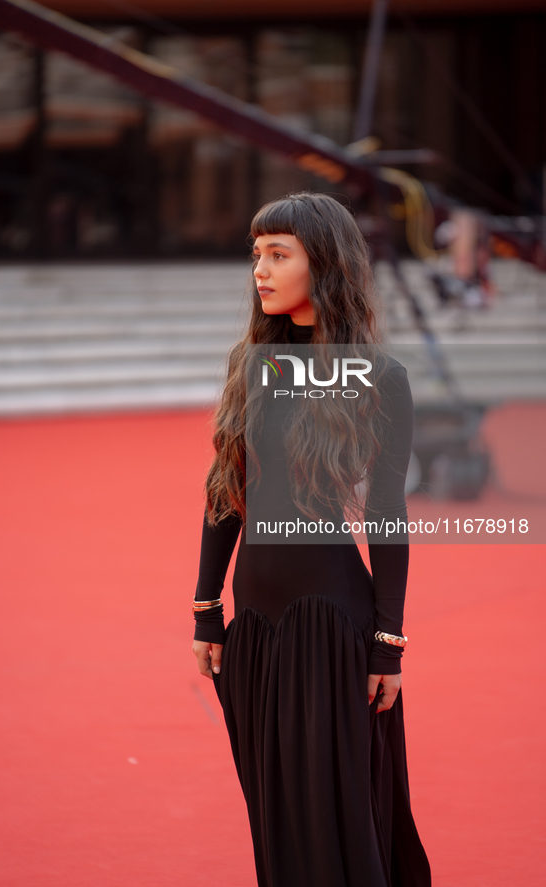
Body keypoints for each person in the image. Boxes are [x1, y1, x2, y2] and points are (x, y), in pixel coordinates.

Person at [191, 192, 432, 887]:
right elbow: (225, 493)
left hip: (331, 627)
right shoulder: (253, 365)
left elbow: (387, 510)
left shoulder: (379, 378)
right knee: (275, 813)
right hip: (255, 631)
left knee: (337, 816)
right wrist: (207, 608)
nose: (259, 270)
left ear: (321, 263)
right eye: (256, 254)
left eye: (277, 254)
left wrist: (387, 642)